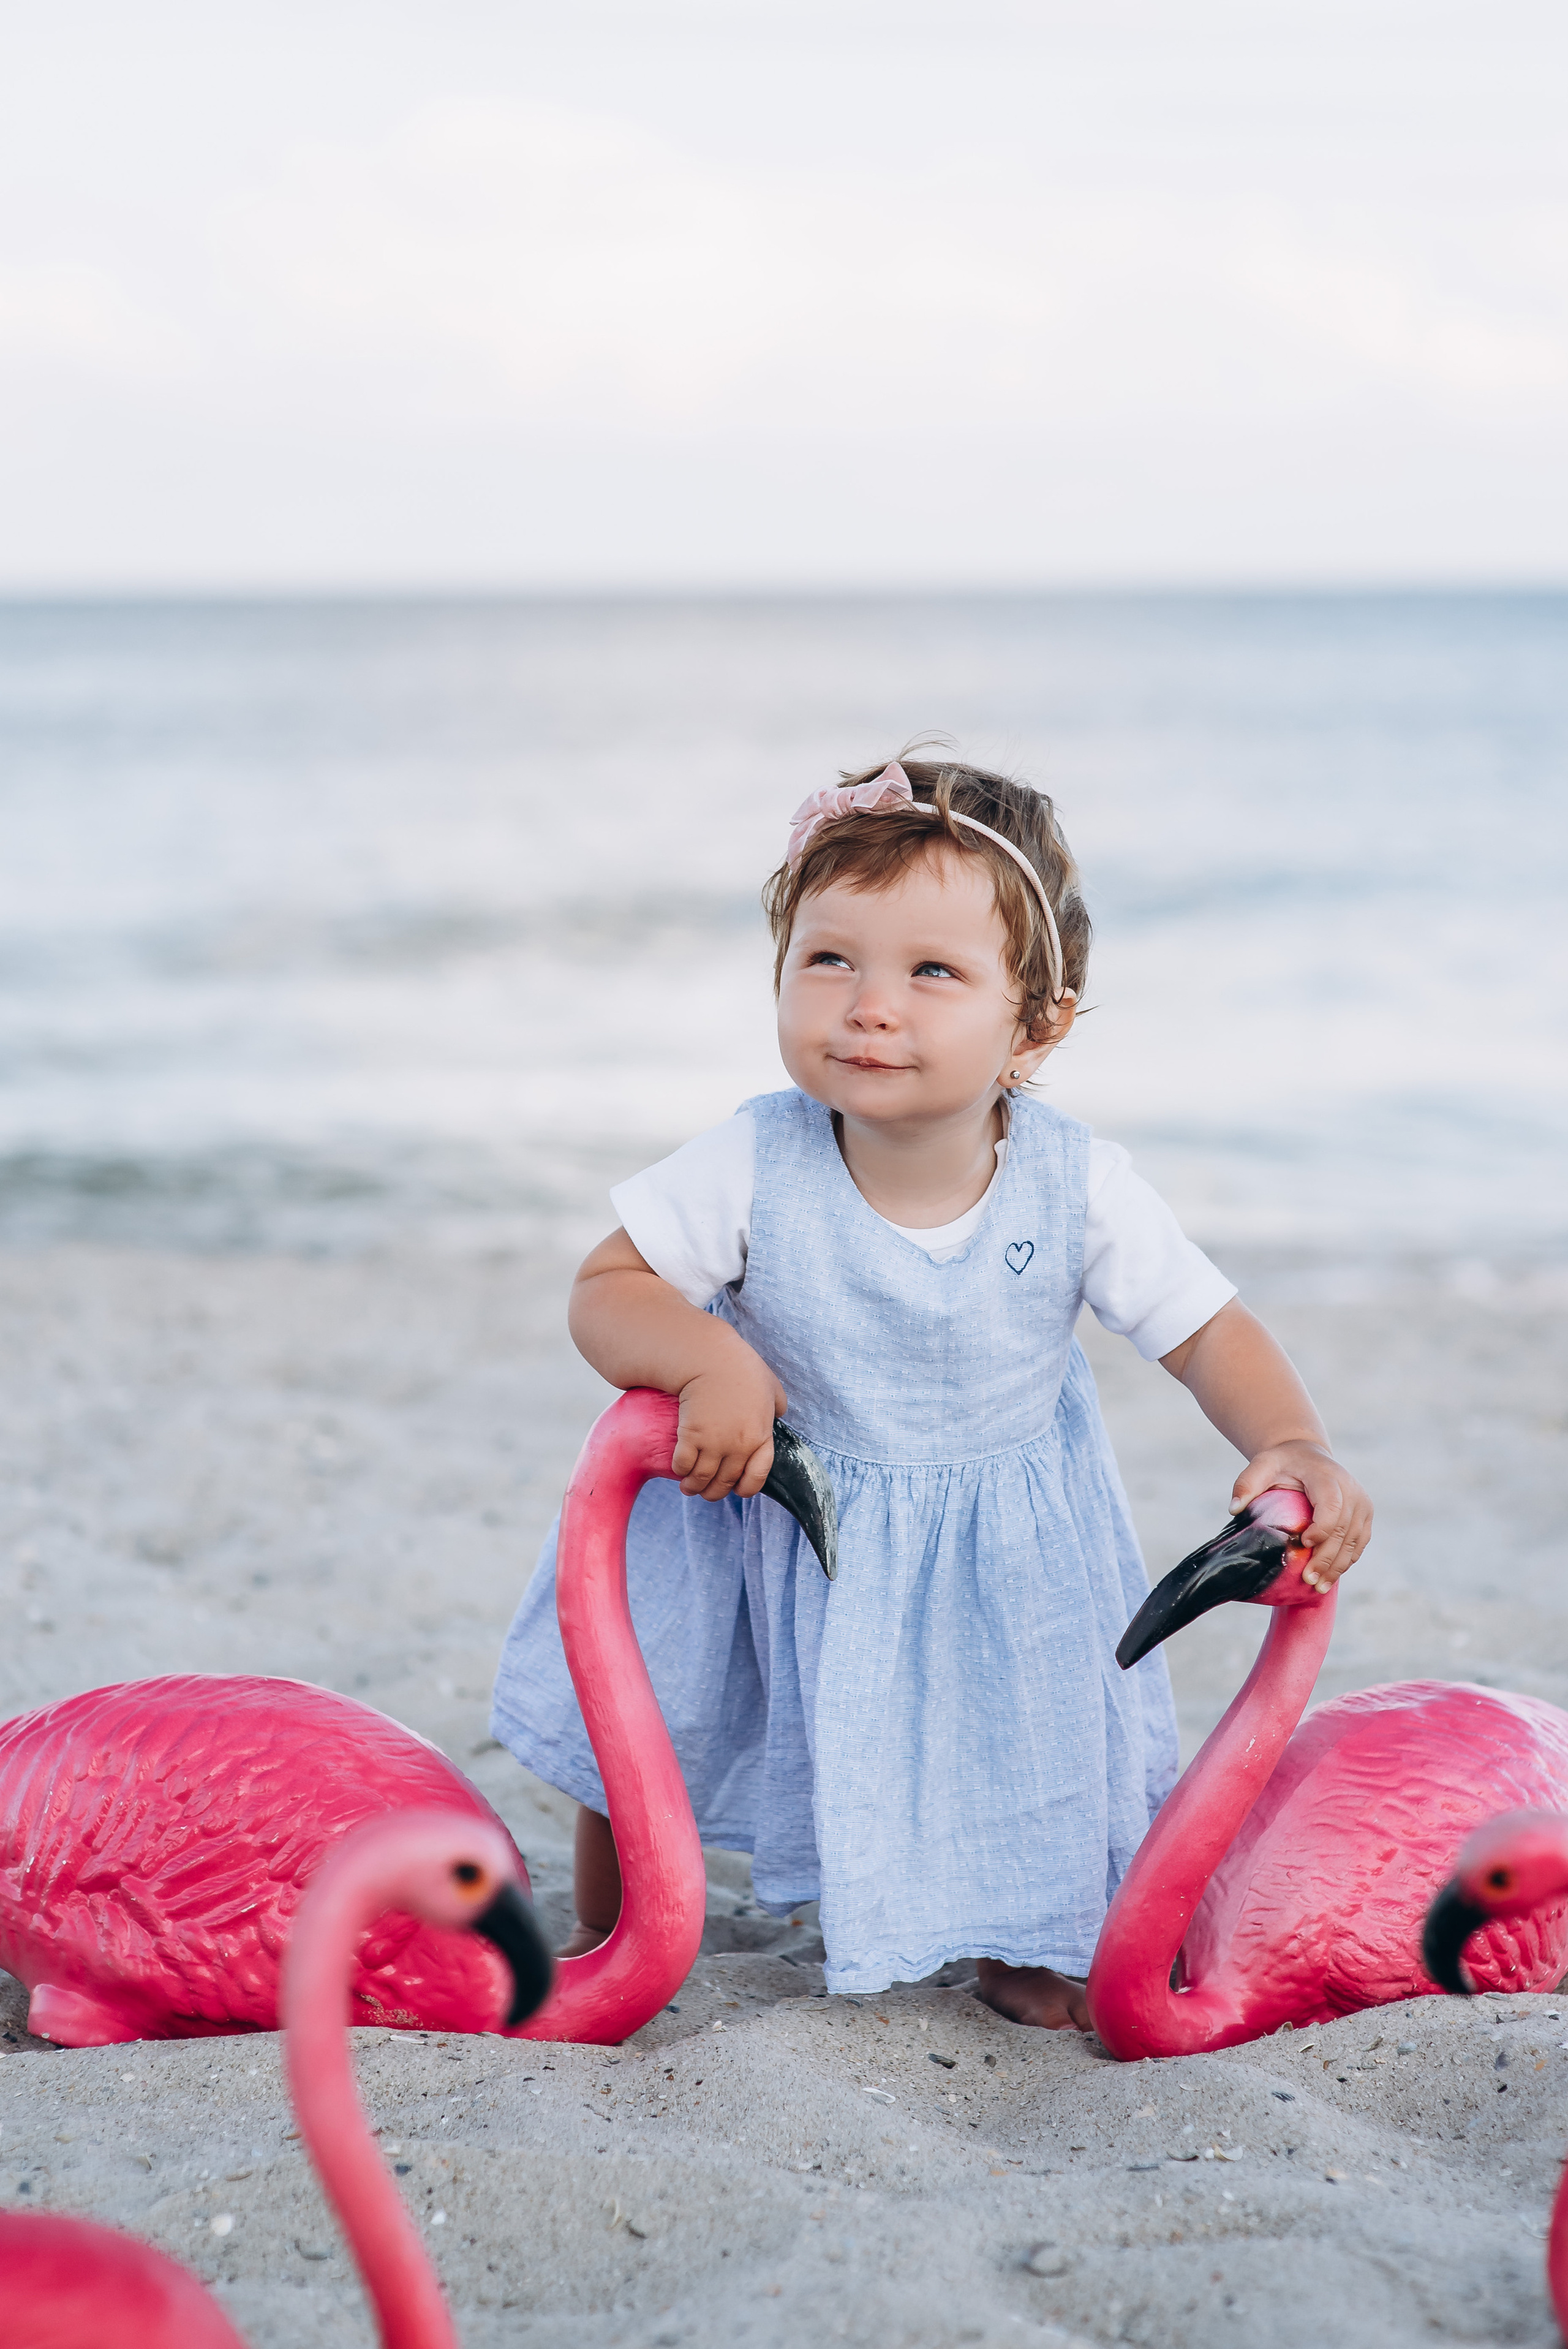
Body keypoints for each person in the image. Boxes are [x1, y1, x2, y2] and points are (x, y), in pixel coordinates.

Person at [491, 757, 1372, 2028]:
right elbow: (605, 1285)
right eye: (829, 960)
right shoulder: (754, 1158)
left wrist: (1288, 1438)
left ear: (1034, 1026)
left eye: (931, 973)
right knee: (659, 1707)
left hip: (999, 1535)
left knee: (1023, 1738)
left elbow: (1201, 1330)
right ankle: (607, 1921)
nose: (868, 1007)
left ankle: (1023, 1938)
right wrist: (704, 1359)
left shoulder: (1074, 1185)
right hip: (769, 1519)